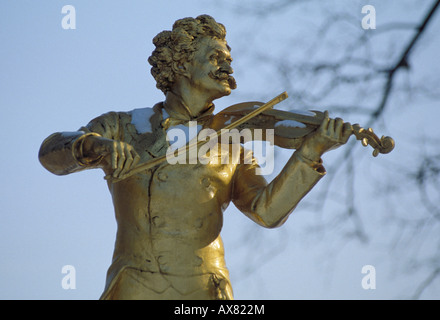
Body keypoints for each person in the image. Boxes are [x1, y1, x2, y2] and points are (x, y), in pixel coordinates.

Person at [39, 15, 352, 300]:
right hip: (133, 287)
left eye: (229, 60)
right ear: (182, 64)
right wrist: (95, 147)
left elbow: (267, 212)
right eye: (216, 57)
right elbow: (50, 153)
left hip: (204, 291)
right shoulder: (122, 126)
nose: (228, 68)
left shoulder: (233, 141)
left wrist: (310, 151)